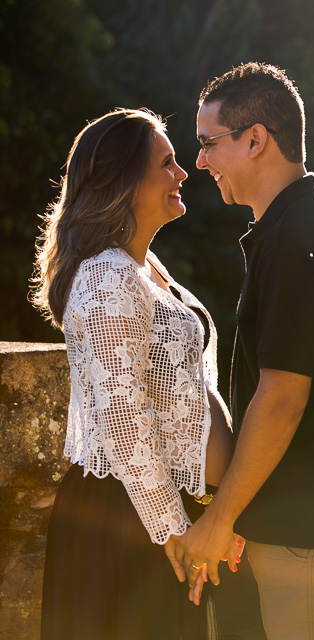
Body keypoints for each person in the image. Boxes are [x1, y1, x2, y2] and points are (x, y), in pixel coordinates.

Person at [173, 62, 314, 640]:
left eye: (208, 144)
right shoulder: (306, 224)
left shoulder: (296, 239)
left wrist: (221, 517)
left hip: (313, 537)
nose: (199, 162)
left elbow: (280, 398)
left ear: (255, 139)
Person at [31, 108, 238, 639]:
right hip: (126, 518)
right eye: (167, 163)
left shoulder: (143, 267)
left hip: (153, 508)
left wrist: (216, 513)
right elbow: (124, 420)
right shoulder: (107, 278)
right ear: (124, 181)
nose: (183, 173)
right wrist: (174, 532)